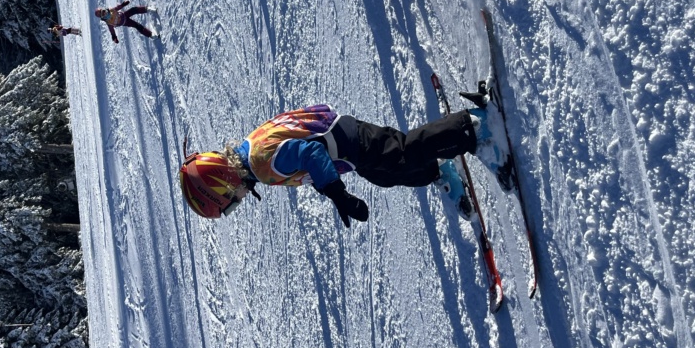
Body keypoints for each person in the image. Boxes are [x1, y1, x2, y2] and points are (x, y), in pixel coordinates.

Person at [178, 100, 512, 226]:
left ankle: (475, 126)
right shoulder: (248, 150)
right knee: (387, 174)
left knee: (403, 151)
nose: (237, 204)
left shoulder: (263, 164)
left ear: (226, 182)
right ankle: (439, 169)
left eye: (229, 204)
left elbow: (310, 154)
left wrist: (336, 193)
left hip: (347, 142)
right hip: (345, 148)